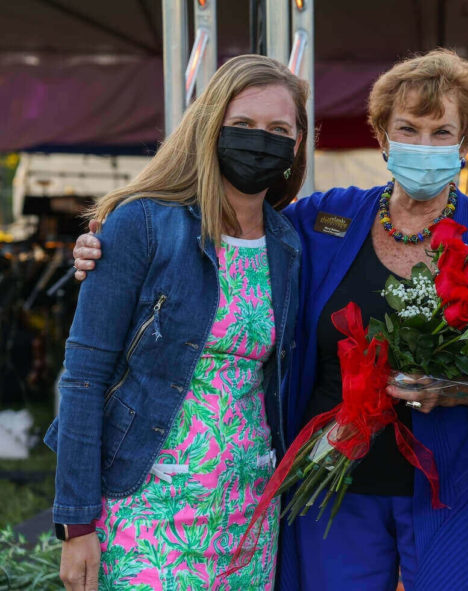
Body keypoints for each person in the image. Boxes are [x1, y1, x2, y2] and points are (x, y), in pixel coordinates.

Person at [73, 48, 468, 591]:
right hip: (332, 485)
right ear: (381, 136)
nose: (423, 145)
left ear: (466, 142)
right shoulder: (322, 220)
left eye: (441, 131)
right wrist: (105, 247)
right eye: (408, 127)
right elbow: (231, 231)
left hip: (452, 487)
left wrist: (467, 390)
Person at [47, 54, 306, 590]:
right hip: (143, 510)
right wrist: (76, 524)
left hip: (247, 518)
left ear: (297, 145)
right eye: (244, 126)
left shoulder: (289, 245)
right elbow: (83, 376)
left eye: (279, 129)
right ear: (210, 127)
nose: (261, 140)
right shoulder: (143, 223)